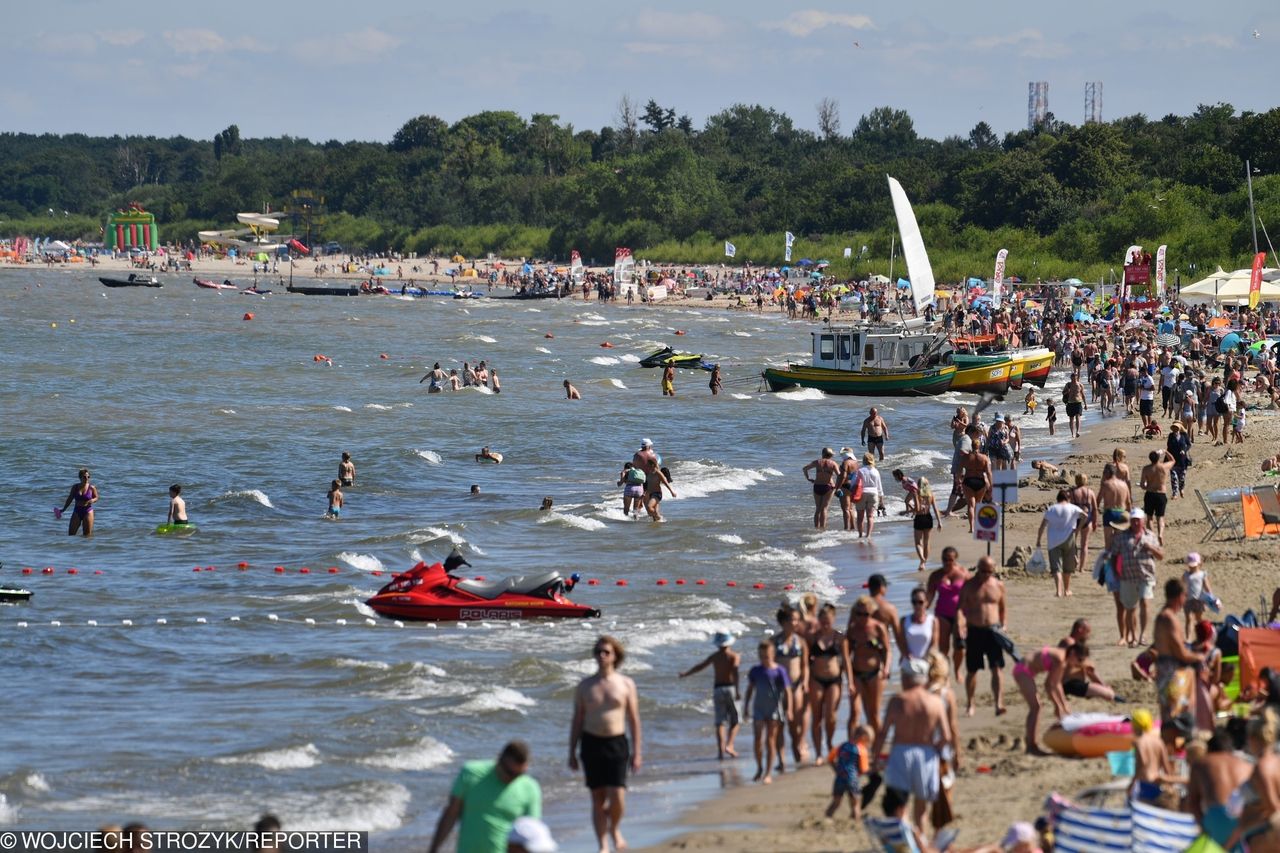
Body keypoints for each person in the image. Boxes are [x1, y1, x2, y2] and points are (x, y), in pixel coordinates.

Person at [569, 636, 641, 853]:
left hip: (617, 743)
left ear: (615, 656)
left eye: (606, 652)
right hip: (591, 744)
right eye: (598, 652)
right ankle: (603, 845)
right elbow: (577, 720)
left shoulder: (626, 684)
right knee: (597, 798)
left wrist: (638, 753)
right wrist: (571, 752)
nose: (601, 656)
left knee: (617, 795)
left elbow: (634, 719)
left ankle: (615, 829)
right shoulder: (585, 686)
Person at [869, 658, 951, 833]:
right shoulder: (935, 702)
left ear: (906, 678)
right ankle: (920, 836)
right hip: (927, 753)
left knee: (899, 804)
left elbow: (883, 732)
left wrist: (875, 757)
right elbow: (946, 735)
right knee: (921, 806)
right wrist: (935, 749)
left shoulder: (898, 701)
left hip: (901, 752)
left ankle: (907, 836)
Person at [428, 740, 541, 853]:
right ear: (498, 759)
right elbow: (451, 814)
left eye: (519, 774)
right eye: (510, 773)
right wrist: (433, 849)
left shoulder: (530, 788)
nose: (513, 778)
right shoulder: (471, 773)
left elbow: (531, 834)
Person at [678, 632, 741, 760]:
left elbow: (700, 666)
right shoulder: (734, 656)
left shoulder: (715, 656)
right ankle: (729, 745)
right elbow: (735, 672)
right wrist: (738, 690)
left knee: (720, 722)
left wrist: (686, 674)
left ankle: (720, 753)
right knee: (736, 720)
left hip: (717, 689)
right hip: (730, 688)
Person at [1107, 508, 1163, 647]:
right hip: (1127, 577)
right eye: (1133, 520)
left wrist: (1150, 548)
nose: (1136, 523)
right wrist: (1116, 572)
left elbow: (1161, 555)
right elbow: (1114, 555)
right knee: (1130, 608)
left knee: (1145, 603)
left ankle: (1143, 635)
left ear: (1143, 521)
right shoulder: (1122, 537)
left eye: (1138, 520)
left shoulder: (1150, 536)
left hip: (1146, 575)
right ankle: (1133, 636)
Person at [1011, 643, 1080, 754]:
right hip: (1022, 671)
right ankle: (1032, 746)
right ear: (1073, 653)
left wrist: (1064, 704)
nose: (1078, 664)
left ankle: (1031, 744)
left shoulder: (1062, 657)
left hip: (1024, 670)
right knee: (1036, 708)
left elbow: (1057, 684)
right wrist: (1057, 706)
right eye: (1079, 660)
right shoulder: (1060, 659)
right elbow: (1048, 685)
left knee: (1036, 708)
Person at [1153, 578, 1203, 727]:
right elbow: (1180, 652)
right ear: (1179, 596)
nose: (1185, 600)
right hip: (1170, 670)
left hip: (1164, 668)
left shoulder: (1163, 617)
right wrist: (1199, 656)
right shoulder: (1168, 618)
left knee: (1169, 715)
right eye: (1185, 596)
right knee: (1175, 717)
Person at [960, 556, 1007, 717]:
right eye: (982, 571)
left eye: (989, 571)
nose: (985, 574)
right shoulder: (969, 586)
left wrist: (1004, 624)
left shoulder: (998, 585)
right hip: (974, 630)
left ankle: (998, 702)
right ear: (977, 568)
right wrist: (960, 626)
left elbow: (1002, 608)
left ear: (993, 570)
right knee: (972, 670)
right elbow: (960, 608)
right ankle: (970, 703)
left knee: (997, 668)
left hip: (993, 631)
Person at [1187, 729, 1252, 846]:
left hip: (1217, 816)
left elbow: (1192, 802)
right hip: (1245, 818)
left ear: (1209, 749)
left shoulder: (1201, 763)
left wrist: (1203, 827)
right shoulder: (1246, 764)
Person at [742, 640, 793, 783]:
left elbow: (788, 691)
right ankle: (759, 767)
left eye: (767, 656)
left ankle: (768, 772)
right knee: (758, 740)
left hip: (774, 710)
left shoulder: (779, 671)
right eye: (762, 656)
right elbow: (750, 689)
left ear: (773, 654)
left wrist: (789, 709)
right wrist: (746, 707)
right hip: (758, 708)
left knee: (770, 740)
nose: (765, 659)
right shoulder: (755, 671)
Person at [846, 595, 892, 741]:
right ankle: (852, 746)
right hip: (857, 674)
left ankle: (877, 746)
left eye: (866, 614)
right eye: (859, 614)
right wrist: (849, 679)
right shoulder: (853, 630)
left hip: (874, 674)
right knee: (855, 712)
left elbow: (887, 650)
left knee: (874, 713)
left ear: (871, 613)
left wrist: (886, 667)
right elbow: (847, 655)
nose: (862, 618)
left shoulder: (878, 627)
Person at [809, 603, 847, 764]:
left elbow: (846, 661)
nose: (825, 624)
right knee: (817, 717)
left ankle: (830, 744)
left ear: (833, 619)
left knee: (830, 716)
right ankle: (818, 753)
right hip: (816, 680)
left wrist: (850, 681)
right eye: (823, 620)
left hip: (834, 680)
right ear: (818, 620)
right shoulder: (813, 637)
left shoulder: (839, 637)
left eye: (828, 620)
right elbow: (806, 660)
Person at [772, 607, 810, 765]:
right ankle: (781, 759)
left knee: (795, 722)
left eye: (797, 619)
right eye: (792, 620)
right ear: (783, 622)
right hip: (779, 688)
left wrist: (805, 681)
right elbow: (769, 665)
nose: (795, 623)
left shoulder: (800, 642)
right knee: (779, 725)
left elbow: (805, 665)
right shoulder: (774, 642)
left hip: (795, 686)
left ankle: (797, 746)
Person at [926, 547, 969, 677]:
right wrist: (922, 610)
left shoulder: (963, 573)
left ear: (955, 559)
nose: (947, 562)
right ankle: (945, 673)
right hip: (941, 615)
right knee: (943, 648)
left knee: (960, 646)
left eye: (950, 560)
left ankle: (957, 669)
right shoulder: (936, 575)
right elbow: (929, 596)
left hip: (960, 615)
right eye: (944, 559)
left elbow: (972, 593)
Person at [1035, 489, 1086, 597]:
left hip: (1054, 541)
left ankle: (1058, 591)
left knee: (1056, 567)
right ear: (1067, 499)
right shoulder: (1072, 508)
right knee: (1067, 567)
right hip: (1069, 539)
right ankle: (1067, 590)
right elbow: (1085, 516)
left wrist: (1038, 540)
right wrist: (1078, 528)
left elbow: (1042, 526)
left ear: (1057, 499)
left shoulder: (1052, 509)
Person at [1129, 708, 1176, 805]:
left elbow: (1142, 764)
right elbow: (1166, 766)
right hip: (1157, 783)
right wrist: (1171, 785)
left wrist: (1132, 784)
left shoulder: (1139, 742)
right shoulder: (1158, 741)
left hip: (1144, 783)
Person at [825, 725, 870, 820]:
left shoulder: (842, 746)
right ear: (863, 738)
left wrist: (836, 770)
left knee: (836, 802)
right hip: (852, 779)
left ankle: (827, 817)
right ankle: (855, 819)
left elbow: (830, 759)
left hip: (839, 778)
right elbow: (864, 769)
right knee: (855, 804)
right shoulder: (861, 749)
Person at [1139, 449, 1175, 545]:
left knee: (1150, 517)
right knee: (1160, 518)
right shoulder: (1164, 467)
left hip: (1150, 493)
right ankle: (1160, 534)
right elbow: (1173, 460)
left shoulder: (1146, 469)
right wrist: (1166, 451)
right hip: (1161, 494)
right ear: (1158, 458)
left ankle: (1153, 536)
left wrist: (1148, 486)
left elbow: (1142, 485)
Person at [803, 448, 840, 529]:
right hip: (828, 486)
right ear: (831, 455)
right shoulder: (833, 463)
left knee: (818, 509)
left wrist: (808, 478)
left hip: (817, 486)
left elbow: (805, 468)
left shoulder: (817, 462)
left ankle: (816, 528)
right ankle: (822, 529)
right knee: (824, 508)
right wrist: (837, 486)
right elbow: (839, 475)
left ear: (822, 454)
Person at [912, 478, 943, 571]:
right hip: (928, 518)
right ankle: (923, 564)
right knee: (926, 542)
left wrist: (908, 510)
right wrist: (939, 522)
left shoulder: (916, 493)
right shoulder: (931, 494)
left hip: (919, 518)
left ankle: (922, 559)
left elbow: (917, 509)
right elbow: (935, 509)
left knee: (918, 542)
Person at [1182, 552, 1215, 640]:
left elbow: (1207, 587)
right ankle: (1188, 638)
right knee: (1188, 619)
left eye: (1194, 566)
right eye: (1190, 566)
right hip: (1188, 601)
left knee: (1199, 619)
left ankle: (1201, 636)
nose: (1192, 567)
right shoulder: (1186, 575)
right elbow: (1182, 586)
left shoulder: (1202, 574)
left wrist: (1211, 598)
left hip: (1199, 600)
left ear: (1200, 564)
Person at [901, 587, 939, 661]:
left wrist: (927, 657)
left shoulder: (933, 621)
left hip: (928, 661)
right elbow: (902, 643)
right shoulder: (904, 620)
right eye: (914, 602)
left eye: (920, 602)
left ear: (926, 603)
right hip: (909, 662)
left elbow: (934, 644)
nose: (917, 605)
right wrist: (906, 653)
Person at [60, 468, 98, 537]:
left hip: (88, 511)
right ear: (80, 477)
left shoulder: (91, 487)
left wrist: (93, 500)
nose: (87, 478)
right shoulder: (75, 487)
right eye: (84, 477)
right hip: (77, 510)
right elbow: (70, 499)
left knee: (87, 536)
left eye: (88, 477)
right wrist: (64, 509)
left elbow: (96, 497)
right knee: (71, 535)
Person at [855, 453, 883, 539]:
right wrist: (881, 499)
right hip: (873, 493)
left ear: (864, 460)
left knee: (860, 516)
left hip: (862, 493)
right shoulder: (875, 471)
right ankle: (868, 535)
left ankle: (860, 535)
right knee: (870, 516)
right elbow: (879, 486)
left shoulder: (860, 470)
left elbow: (856, 483)